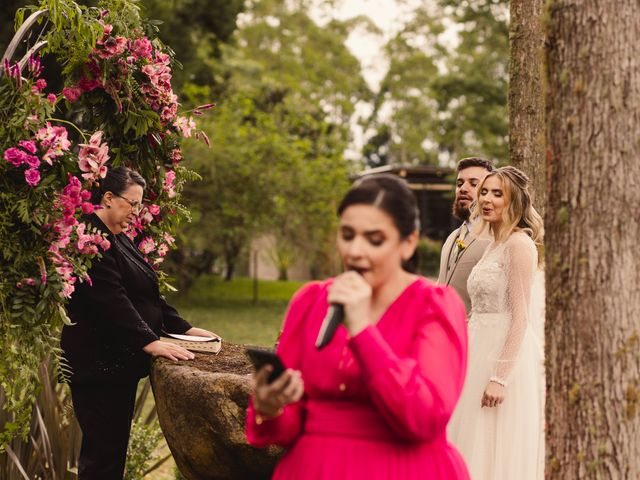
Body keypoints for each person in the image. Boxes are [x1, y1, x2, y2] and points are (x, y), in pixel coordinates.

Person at [246, 174, 470, 479]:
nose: (355, 251)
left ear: (408, 243)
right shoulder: (310, 301)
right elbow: (289, 424)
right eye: (347, 235)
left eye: (374, 240)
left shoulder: (434, 305)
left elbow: (425, 418)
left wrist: (363, 330)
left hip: (403, 468)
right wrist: (270, 408)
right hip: (314, 468)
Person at [61, 167, 217, 480]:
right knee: (102, 460)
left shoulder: (119, 238)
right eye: (132, 203)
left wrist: (185, 329)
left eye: (140, 205)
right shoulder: (91, 239)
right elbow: (112, 300)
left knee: (111, 455)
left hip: (117, 367)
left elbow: (148, 294)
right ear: (107, 198)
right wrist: (150, 340)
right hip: (98, 367)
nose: (137, 212)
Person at [447, 166, 545, 480]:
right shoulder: (492, 244)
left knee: (491, 442)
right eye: (485, 192)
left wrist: (499, 377)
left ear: (513, 200)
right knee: (467, 438)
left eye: (497, 193)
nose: (486, 199)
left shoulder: (519, 245)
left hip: (502, 355)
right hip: (476, 349)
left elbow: (521, 317)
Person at [438, 157, 494, 314]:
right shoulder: (452, 237)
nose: (463, 188)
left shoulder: (497, 238)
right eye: (459, 183)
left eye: (473, 184)